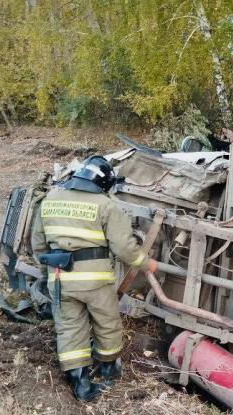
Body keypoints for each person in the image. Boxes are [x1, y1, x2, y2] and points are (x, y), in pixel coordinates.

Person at [31, 155, 158, 402]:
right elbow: (124, 248)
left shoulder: (51, 199)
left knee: (69, 327)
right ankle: (109, 369)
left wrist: (48, 269)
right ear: (104, 183)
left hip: (59, 278)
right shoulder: (106, 205)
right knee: (107, 324)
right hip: (94, 281)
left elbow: (38, 243)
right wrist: (146, 263)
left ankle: (80, 384)